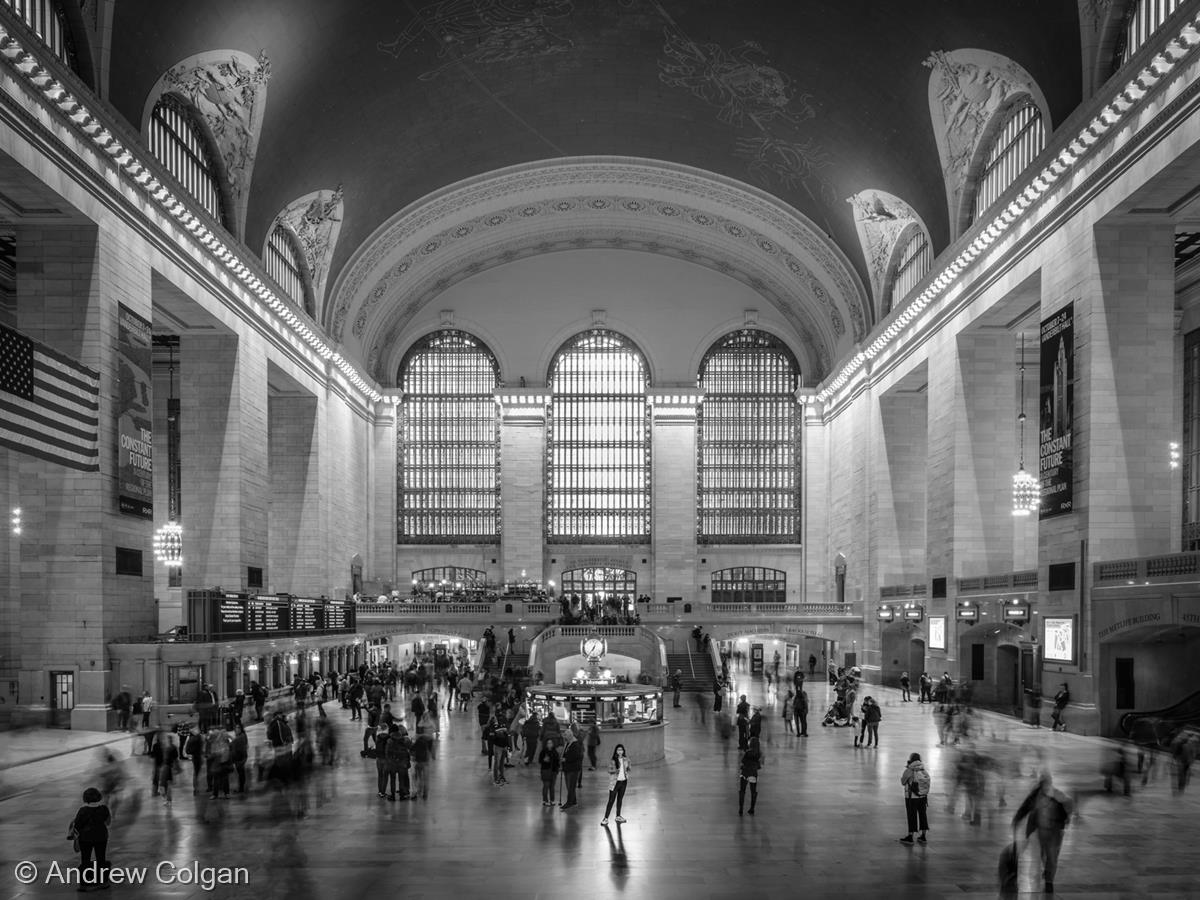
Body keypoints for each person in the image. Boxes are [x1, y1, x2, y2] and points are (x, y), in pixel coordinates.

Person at [1013, 773, 1073, 893]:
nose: (1045, 786)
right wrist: (1017, 819)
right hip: (1042, 831)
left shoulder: (1057, 795)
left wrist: (1067, 818)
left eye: (1047, 783)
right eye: (1043, 784)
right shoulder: (1036, 796)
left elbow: (1069, 803)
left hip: (1055, 831)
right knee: (1044, 855)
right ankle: (1047, 870)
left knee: (1052, 856)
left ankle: (1049, 881)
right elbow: (1025, 807)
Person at [70, 786, 112, 889]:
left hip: (86, 838)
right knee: (101, 858)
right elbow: (108, 823)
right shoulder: (104, 809)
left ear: (85, 799)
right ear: (99, 797)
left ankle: (85, 884)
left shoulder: (82, 811)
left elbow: (78, 826)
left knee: (85, 859)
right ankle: (103, 882)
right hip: (101, 837)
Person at [899, 752, 931, 844]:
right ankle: (923, 836)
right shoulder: (923, 769)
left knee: (912, 816)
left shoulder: (909, 770)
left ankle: (910, 836)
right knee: (923, 815)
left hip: (912, 797)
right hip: (923, 796)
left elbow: (903, 782)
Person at [601, 743, 631, 826]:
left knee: (620, 799)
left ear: (623, 751)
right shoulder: (613, 760)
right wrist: (615, 771)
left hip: (623, 782)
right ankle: (605, 818)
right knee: (611, 800)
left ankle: (618, 816)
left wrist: (627, 768)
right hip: (615, 783)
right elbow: (609, 770)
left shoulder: (626, 759)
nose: (620, 751)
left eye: (621, 750)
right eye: (618, 750)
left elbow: (629, 768)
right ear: (616, 751)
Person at [738, 736, 763, 815]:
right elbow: (759, 766)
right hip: (753, 774)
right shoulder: (758, 754)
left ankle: (741, 808)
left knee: (742, 791)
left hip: (745, 773)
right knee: (753, 791)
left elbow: (742, 762)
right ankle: (752, 808)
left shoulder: (748, 753)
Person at [561, 731, 583, 809]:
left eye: (566, 736)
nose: (564, 737)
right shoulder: (568, 743)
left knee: (571, 786)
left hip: (573, 769)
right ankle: (573, 801)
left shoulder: (575, 744)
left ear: (570, 736)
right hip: (568, 768)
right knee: (569, 786)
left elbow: (576, 756)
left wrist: (565, 759)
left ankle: (569, 802)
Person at [538, 737, 560, 806]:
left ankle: (552, 800)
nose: (549, 744)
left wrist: (557, 769)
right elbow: (540, 760)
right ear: (546, 744)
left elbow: (557, 762)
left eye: (551, 743)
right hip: (545, 771)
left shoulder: (555, 752)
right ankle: (545, 800)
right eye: (548, 743)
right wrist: (544, 760)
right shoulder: (543, 751)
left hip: (553, 771)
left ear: (553, 744)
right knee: (546, 786)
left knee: (552, 787)